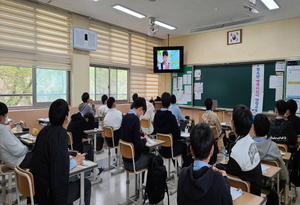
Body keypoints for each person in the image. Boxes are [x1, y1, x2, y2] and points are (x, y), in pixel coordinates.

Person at [30, 99, 91, 205]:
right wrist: (75, 162)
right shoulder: (60, 134)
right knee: (86, 184)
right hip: (49, 194)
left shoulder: (45, 130)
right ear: (66, 117)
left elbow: (50, 156)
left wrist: (64, 157)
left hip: (37, 190)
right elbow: (59, 169)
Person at [177, 123, 232, 205]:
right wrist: (225, 180)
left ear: (191, 150)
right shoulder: (218, 178)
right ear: (212, 150)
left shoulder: (183, 174)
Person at [225, 104, 262, 196]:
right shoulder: (250, 141)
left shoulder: (236, 151)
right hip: (256, 191)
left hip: (246, 194)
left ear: (233, 124)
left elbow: (230, 176)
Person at [252, 114, 288, 187]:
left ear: (254, 128)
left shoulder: (249, 146)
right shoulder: (273, 146)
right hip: (270, 185)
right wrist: (285, 179)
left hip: (252, 183)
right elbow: (283, 171)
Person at [153, 92, 188, 166]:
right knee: (184, 146)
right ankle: (184, 170)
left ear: (161, 103)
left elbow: (155, 130)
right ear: (169, 104)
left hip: (160, 149)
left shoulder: (156, 115)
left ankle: (177, 167)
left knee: (171, 143)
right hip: (171, 149)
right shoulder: (171, 117)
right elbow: (177, 134)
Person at [121, 97, 153, 171]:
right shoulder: (135, 119)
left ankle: (142, 182)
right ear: (140, 109)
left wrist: (140, 136)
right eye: (143, 113)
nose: (141, 115)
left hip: (125, 161)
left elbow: (130, 134)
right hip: (134, 162)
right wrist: (145, 139)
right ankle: (146, 182)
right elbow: (138, 146)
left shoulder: (125, 117)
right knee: (154, 158)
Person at [0, 102, 32, 169]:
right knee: (43, 155)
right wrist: (27, 147)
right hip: (19, 161)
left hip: (11, 161)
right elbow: (18, 151)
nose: (7, 117)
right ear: (1, 117)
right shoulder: (3, 131)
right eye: (6, 115)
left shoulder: (3, 129)